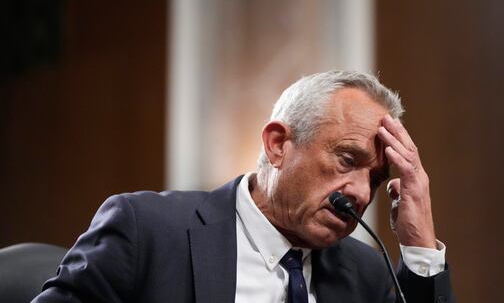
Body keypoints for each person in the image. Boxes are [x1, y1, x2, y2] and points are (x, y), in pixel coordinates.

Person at [33, 70, 456, 303]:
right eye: (347, 160)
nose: (362, 193)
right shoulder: (147, 232)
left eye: (376, 179)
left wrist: (419, 243)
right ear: (278, 145)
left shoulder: (365, 275)